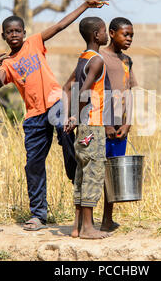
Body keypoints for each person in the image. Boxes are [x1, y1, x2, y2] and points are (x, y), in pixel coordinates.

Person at [0, 0, 109, 231]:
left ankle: (79, 197)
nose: (13, 35)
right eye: (8, 32)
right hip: (33, 116)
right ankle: (38, 214)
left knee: (69, 143)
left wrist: (84, 5)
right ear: (3, 36)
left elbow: (61, 25)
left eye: (17, 31)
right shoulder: (8, 63)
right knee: (33, 163)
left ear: (24, 33)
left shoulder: (34, 43)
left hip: (55, 103)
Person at [64, 17, 111, 239]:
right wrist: (75, 114)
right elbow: (83, 91)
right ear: (96, 35)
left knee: (82, 173)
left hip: (83, 126)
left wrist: (72, 116)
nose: (106, 34)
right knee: (93, 172)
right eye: (103, 30)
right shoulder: (97, 60)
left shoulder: (82, 58)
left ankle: (77, 227)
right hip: (93, 123)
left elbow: (70, 87)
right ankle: (88, 228)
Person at [99, 17, 137, 232]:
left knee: (113, 173)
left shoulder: (127, 60)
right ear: (112, 33)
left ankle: (107, 219)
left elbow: (128, 92)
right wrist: (104, 124)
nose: (129, 39)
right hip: (101, 123)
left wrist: (128, 122)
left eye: (131, 35)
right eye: (126, 34)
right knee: (95, 171)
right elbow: (92, 93)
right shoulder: (100, 57)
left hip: (119, 125)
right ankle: (83, 220)